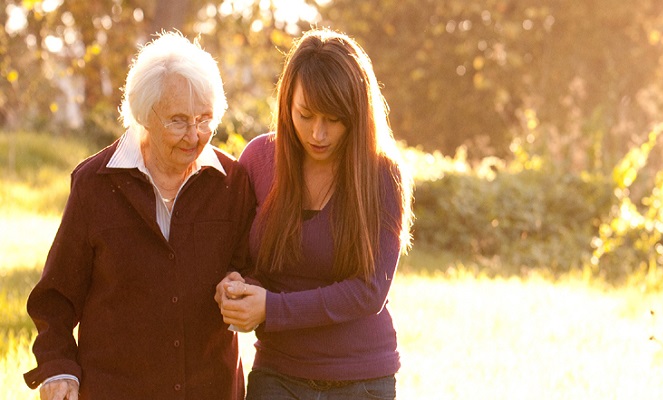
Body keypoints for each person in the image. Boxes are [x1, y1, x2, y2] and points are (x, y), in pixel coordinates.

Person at [23, 31, 255, 400]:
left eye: (205, 118)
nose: (194, 135)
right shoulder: (94, 184)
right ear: (144, 114)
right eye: (178, 121)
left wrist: (241, 286)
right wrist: (58, 368)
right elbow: (56, 297)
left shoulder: (233, 182)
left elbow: (253, 268)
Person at [215, 28, 414, 399]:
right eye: (305, 115)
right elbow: (241, 259)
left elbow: (369, 291)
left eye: (333, 119)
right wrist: (236, 286)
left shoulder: (382, 175)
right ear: (287, 102)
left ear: (357, 114)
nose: (318, 133)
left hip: (361, 382)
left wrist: (272, 309)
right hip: (276, 376)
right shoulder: (258, 160)